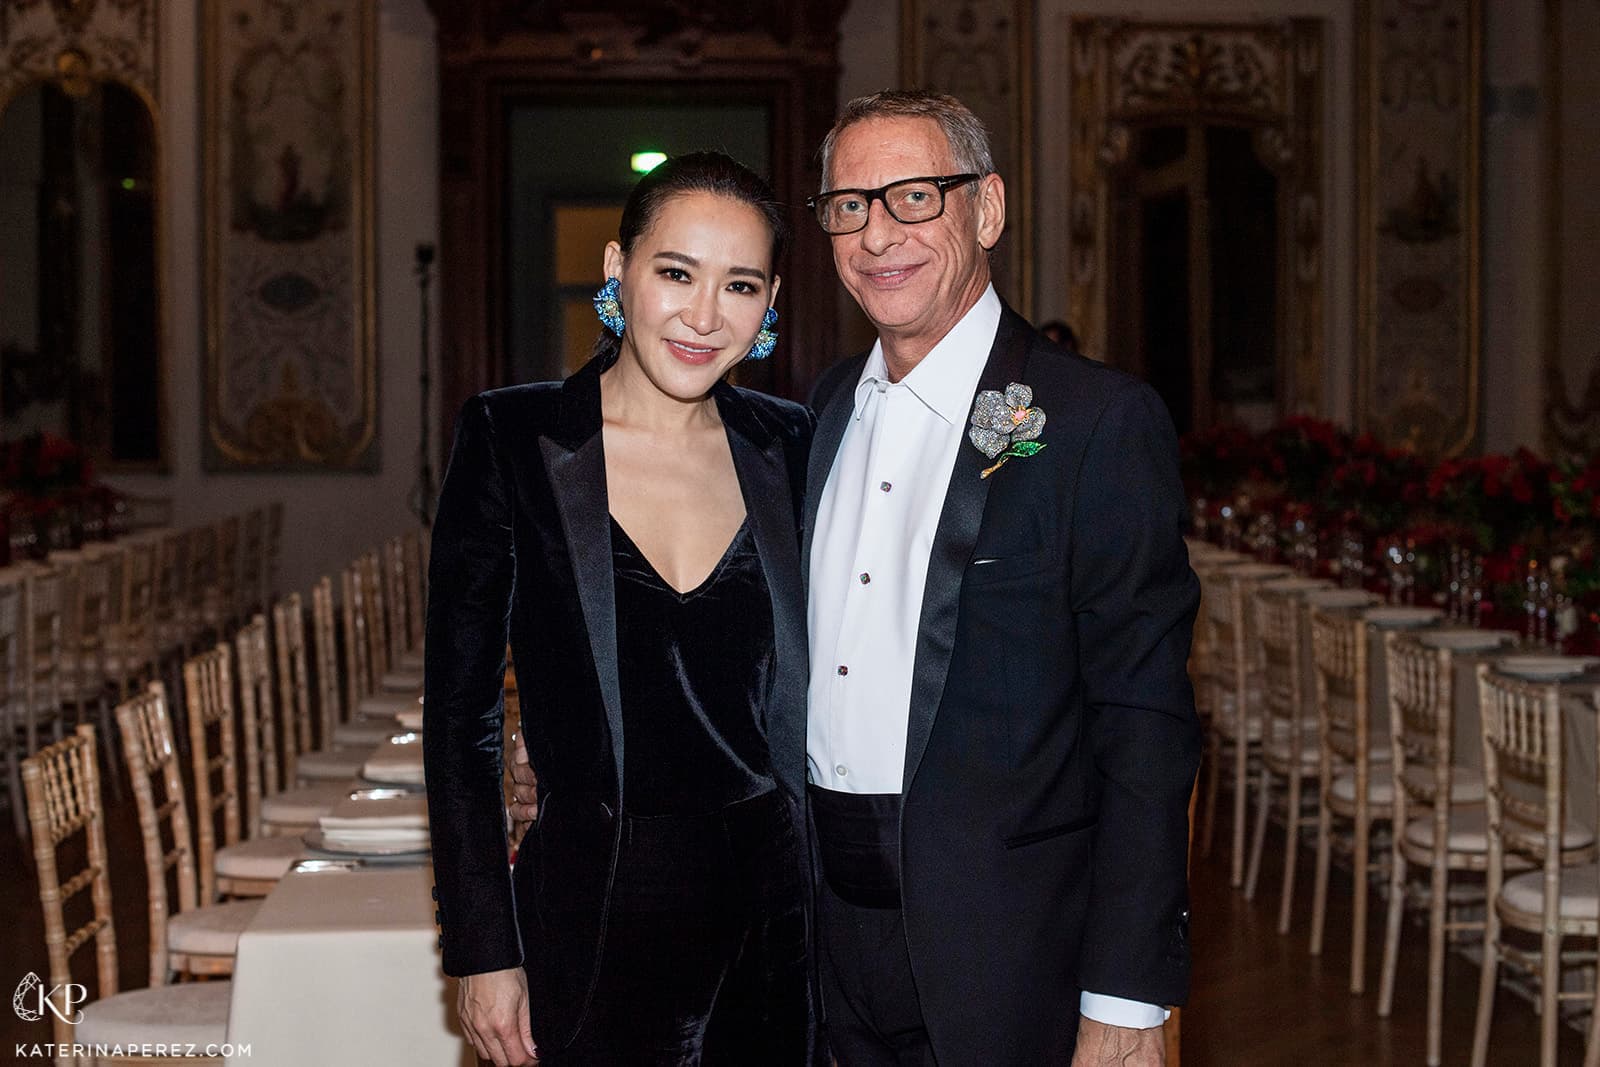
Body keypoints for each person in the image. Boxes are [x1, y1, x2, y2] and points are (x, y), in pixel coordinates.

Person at [511, 90, 1198, 1066]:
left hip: (1002, 961)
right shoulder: (817, 413)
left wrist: (1126, 1001)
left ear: (987, 209)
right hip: (811, 952)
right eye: (848, 205)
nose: (878, 234)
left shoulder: (1090, 422)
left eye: (914, 196)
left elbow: (1146, 725)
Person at [425, 151, 818, 1067]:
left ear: (769, 306)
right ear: (619, 270)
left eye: (740, 285)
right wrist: (485, 948)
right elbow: (461, 720)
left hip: (778, 930)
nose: (703, 314)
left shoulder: (794, 447)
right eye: (676, 272)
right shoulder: (513, 438)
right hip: (586, 919)